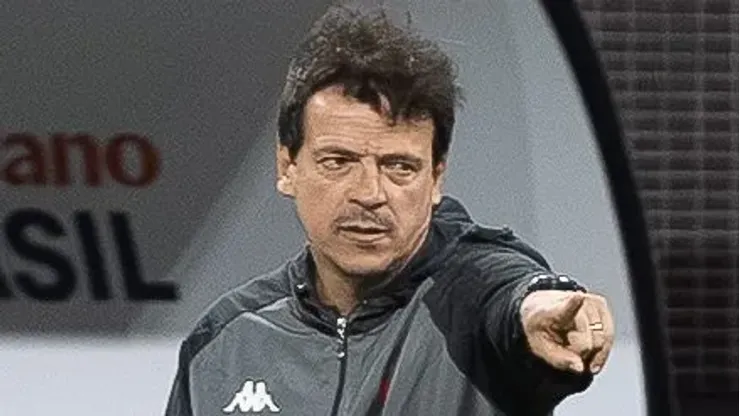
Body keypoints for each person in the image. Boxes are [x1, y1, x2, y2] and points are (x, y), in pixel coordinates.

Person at [165, 6, 614, 416]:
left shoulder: (470, 299)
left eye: (399, 166)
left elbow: (509, 293)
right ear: (287, 168)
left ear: (436, 178)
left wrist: (537, 309)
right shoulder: (224, 342)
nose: (369, 194)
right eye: (338, 161)